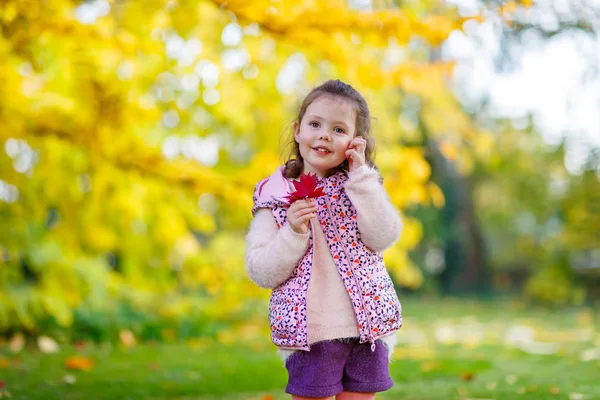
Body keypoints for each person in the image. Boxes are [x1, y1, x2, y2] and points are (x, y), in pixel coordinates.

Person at [245, 79, 403, 400]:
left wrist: (362, 178)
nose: (324, 135)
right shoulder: (276, 195)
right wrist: (292, 232)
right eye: (315, 124)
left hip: (367, 328)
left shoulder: (361, 186)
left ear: (355, 142)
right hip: (310, 332)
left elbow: (384, 236)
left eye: (339, 129)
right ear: (297, 130)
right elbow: (261, 271)